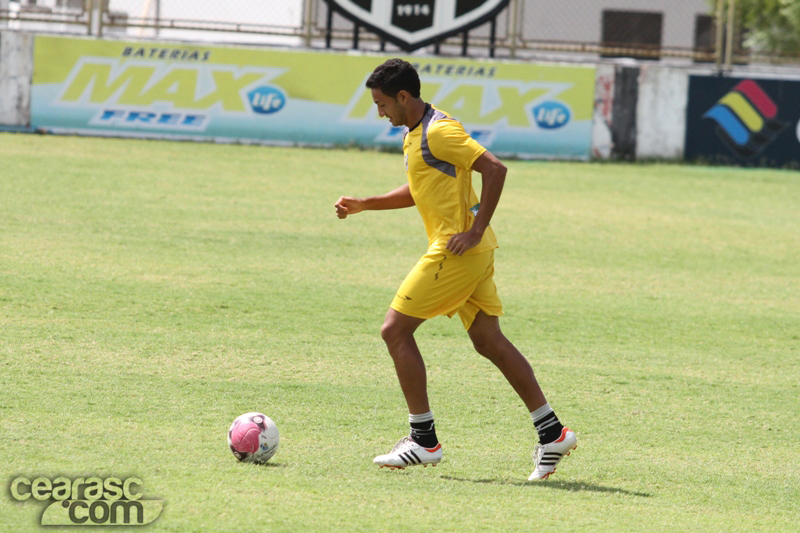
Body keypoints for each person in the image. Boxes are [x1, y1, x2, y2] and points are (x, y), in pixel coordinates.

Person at [334, 58, 576, 481]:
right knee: (488, 340)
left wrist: (476, 229)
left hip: (456, 250)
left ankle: (423, 439)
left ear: (403, 97)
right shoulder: (417, 132)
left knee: (394, 330)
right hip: (470, 252)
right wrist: (366, 204)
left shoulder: (440, 131)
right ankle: (552, 433)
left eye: (382, 104)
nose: (380, 112)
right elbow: (421, 188)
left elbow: (495, 169)